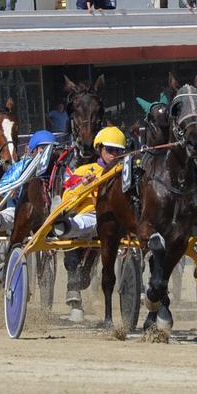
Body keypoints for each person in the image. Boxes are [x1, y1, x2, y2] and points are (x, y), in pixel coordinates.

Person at [55, 125, 127, 320]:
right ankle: (64, 229)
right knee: (73, 225)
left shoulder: (125, 172)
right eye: (110, 150)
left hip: (116, 221)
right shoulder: (84, 170)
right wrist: (82, 185)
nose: (114, 155)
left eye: (119, 151)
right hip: (89, 216)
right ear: (99, 149)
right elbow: (67, 196)